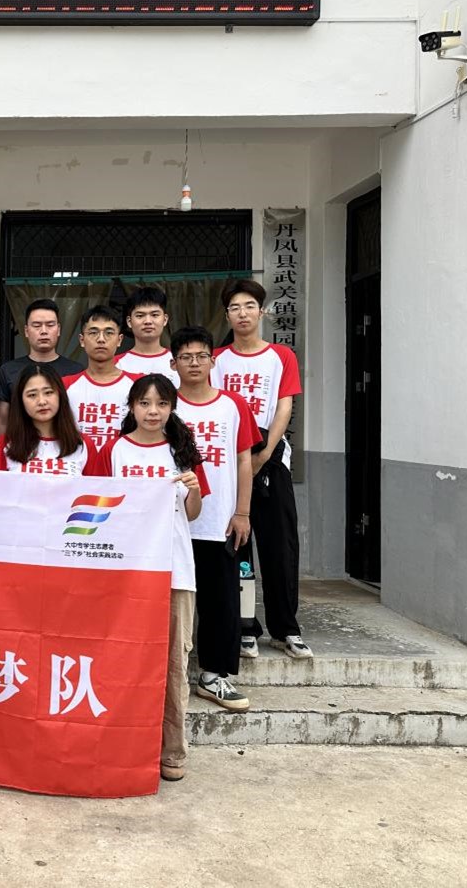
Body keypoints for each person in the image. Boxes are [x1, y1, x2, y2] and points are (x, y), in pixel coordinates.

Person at [93, 374, 209, 783]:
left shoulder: (182, 452)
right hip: (126, 571)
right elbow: (99, 508)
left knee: (174, 662)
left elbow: (191, 514)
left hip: (174, 569)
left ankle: (172, 751)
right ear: (131, 407)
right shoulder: (114, 451)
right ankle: (124, 746)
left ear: (172, 408)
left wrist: (193, 489)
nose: (153, 411)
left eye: (161, 404)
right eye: (144, 403)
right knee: (123, 659)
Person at [211, 279, 312, 660]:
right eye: (235, 308)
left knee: (280, 547)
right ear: (227, 315)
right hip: (229, 462)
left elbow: (284, 406)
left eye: (249, 306)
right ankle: (245, 627)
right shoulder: (216, 359)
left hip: (270, 459)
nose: (243, 314)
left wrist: (265, 453)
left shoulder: (280, 356)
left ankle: (286, 628)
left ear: (262, 311)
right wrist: (242, 463)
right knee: (238, 550)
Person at [171, 326, 258, 712]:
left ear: (213, 360)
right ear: (173, 363)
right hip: (172, 525)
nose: (194, 363)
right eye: (185, 357)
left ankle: (213, 676)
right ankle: (164, 675)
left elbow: (243, 460)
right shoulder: (163, 403)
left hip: (220, 521)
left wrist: (242, 512)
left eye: (201, 356)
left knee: (220, 601)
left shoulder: (233, 405)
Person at [0, 298, 83, 436]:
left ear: (58, 329)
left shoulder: (77, 371)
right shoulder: (8, 370)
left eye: (50, 325)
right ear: (26, 331)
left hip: (64, 443)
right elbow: (3, 420)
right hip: (21, 444)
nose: (43, 331)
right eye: (37, 325)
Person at [0, 363, 101, 475]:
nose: (42, 401)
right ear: (20, 400)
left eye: (48, 392)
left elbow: (96, 485)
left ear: (60, 395)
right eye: (32, 395)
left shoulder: (83, 444)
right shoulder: (5, 443)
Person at [63, 305, 138, 450]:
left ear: (119, 340)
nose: (101, 339)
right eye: (93, 332)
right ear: (82, 340)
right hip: (77, 462)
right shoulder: (64, 385)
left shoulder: (137, 385)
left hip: (122, 462)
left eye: (109, 333)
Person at [116, 286, 179, 384]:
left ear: (165, 319)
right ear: (129, 321)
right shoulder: (116, 364)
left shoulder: (180, 362)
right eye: (140, 316)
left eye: (154, 315)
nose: (148, 321)